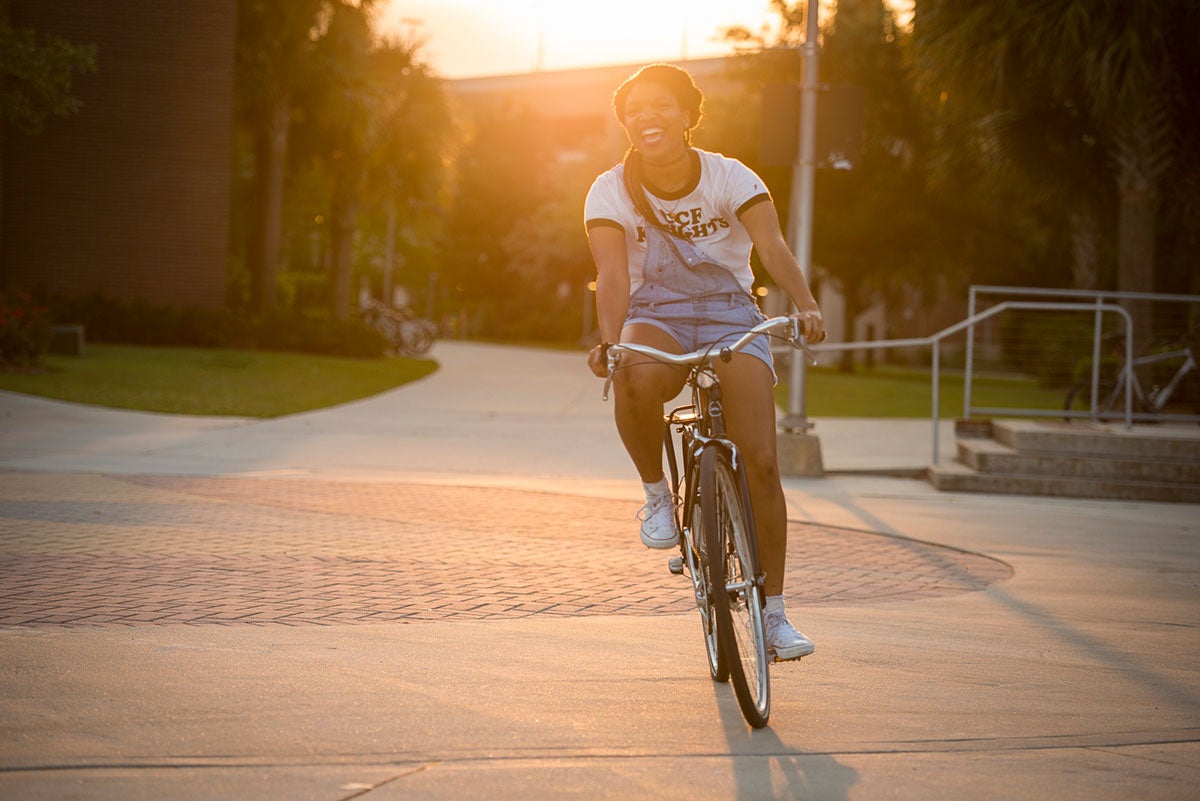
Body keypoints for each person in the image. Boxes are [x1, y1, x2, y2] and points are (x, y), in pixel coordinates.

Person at [584, 63, 826, 661]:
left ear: (688, 115)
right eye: (634, 109)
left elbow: (771, 247)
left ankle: (773, 615)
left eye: (660, 105)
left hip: (732, 312)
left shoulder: (730, 176)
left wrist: (806, 305)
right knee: (634, 374)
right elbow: (612, 275)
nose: (646, 117)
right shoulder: (608, 188)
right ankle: (658, 495)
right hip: (656, 311)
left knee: (763, 465)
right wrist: (613, 340)